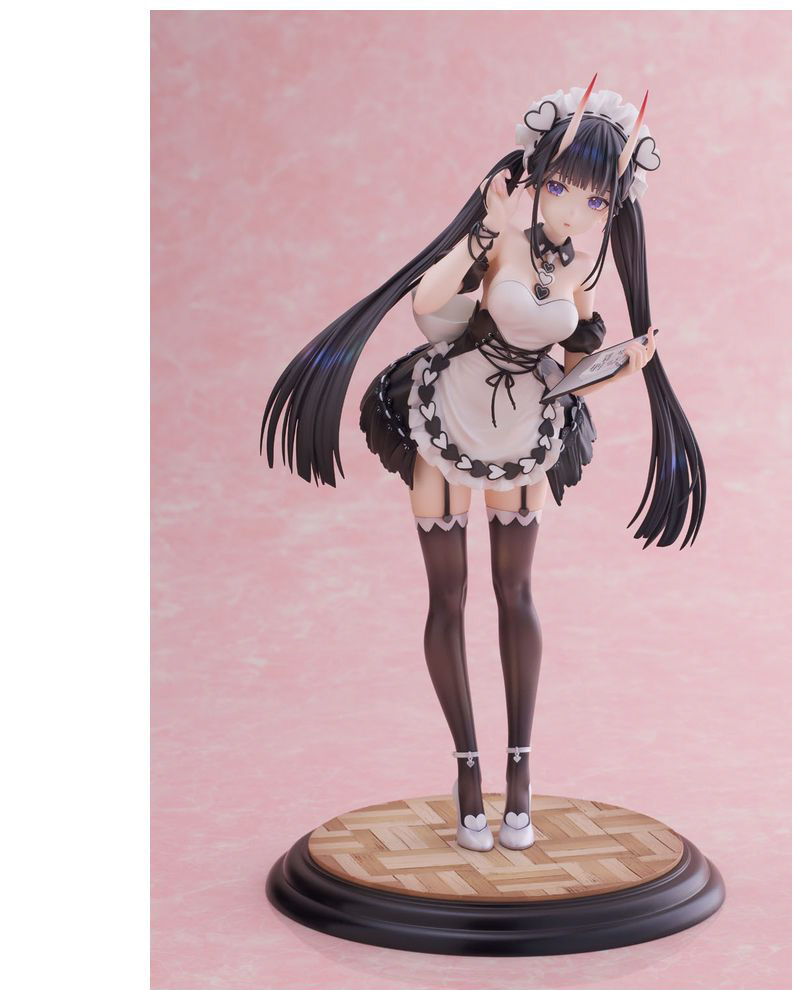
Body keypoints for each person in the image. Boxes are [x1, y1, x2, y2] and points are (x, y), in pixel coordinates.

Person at [261, 79, 706, 853]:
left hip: (525, 431)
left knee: (517, 593)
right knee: (449, 596)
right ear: (536, 175)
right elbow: (427, 308)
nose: (574, 211)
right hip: (448, 411)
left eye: (596, 201)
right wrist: (483, 234)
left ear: (613, 209)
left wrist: (622, 368)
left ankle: (519, 774)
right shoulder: (500, 238)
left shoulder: (584, 274)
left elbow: (573, 373)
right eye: (561, 187)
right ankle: (468, 769)